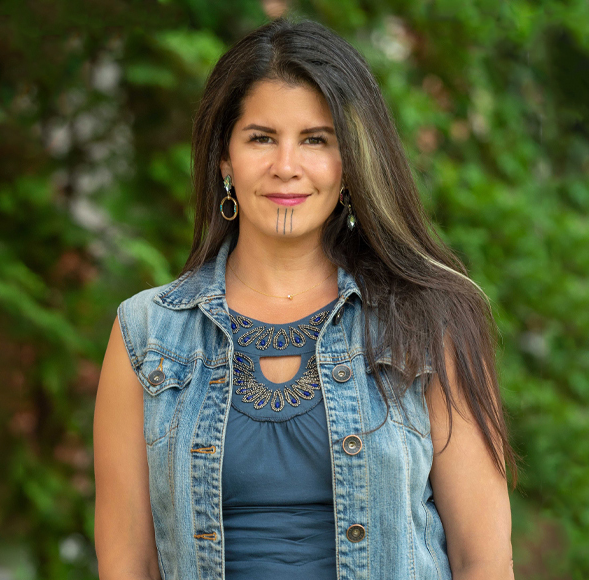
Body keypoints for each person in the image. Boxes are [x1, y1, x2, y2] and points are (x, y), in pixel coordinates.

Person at [93, 18, 517, 580]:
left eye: (316, 139)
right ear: (225, 158)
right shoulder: (147, 335)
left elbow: (482, 561)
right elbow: (129, 565)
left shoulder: (430, 320)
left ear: (350, 163)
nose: (286, 166)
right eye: (261, 138)